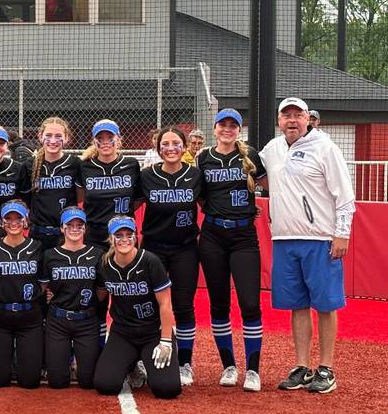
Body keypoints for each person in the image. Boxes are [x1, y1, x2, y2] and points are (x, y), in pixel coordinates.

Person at [260, 97, 355, 394]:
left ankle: (326, 368)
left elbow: (345, 196)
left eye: (297, 115)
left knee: (325, 305)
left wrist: (342, 234)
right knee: (297, 305)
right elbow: (258, 174)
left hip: (320, 239)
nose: (292, 120)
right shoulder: (272, 149)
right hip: (284, 239)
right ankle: (302, 366)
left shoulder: (326, 148)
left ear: (308, 119)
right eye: (286, 115)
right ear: (279, 120)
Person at [197, 108, 266, 392]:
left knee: (250, 303)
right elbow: (198, 193)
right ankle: (228, 365)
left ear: (239, 130)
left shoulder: (249, 155)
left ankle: (253, 370)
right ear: (214, 129)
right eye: (222, 125)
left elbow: (267, 184)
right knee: (219, 303)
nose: (227, 129)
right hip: (213, 233)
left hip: (243, 236)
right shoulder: (204, 158)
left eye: (232, 125)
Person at [138, 127, 203, 386]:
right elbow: (129, 203)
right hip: (153, 248)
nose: (171, 148)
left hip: (185, 247)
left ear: (185, 147)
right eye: (166, 144)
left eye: (176, 143)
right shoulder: (146, 176)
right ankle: (147, 356)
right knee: (150, 303)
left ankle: (185, 362)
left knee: (184, 304)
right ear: (158, 148)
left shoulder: (196, 175)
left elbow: (211, 202)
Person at [92, 216, 181, 399]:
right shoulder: (104, 264)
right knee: (105, 384)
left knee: (167, 389)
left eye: (128, 234)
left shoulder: (149, 261)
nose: (124, 239)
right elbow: (98, 296)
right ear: (111, 238)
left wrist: (165, 341)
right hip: (123, 333)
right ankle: (131, 364)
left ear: (135, 236)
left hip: (152, 332)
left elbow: (165, 303)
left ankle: (151, 360)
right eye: (119, 235)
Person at [77, 119, 141, 355]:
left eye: (110, 137)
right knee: (99, 296)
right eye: (100, 138)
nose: (106, 142)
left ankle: (133, 352)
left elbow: (139, 198)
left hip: (125, 239)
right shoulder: (85, 167)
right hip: (95, 239)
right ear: (94, 141)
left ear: (118, 139)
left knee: (131, 292)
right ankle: (99, 349)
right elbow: (79, 196)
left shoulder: (131, 165)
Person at [39, 206, 103, 389]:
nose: (74, 229)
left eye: (79, 225)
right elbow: (44, 287)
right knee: (57, 382)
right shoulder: (50, 255)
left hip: (86, 320)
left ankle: (80, 363)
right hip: (58, 320)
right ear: (62, 228)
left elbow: (101, 291)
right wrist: (50, 296)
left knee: (88, 381)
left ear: (85, 228)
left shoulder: (97, 254)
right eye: (70, 225)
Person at [0, 200, 44, 388]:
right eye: (8, 219)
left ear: (26, 220)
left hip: (29, 317)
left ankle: (23, 361)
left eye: (18, 218)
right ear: (1, 222)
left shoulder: (37, 246)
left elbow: (43, 284)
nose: (13, 222)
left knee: (30, 381)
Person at [26, 117, 81, 250]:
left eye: (58, 136)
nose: (53, 141)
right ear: (40, 137)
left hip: (65, 235)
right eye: (48, 135)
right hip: (38, 233)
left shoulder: (74, 164)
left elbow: (80, 198)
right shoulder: (29, 165)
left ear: (66, 138)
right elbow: (25, 199)